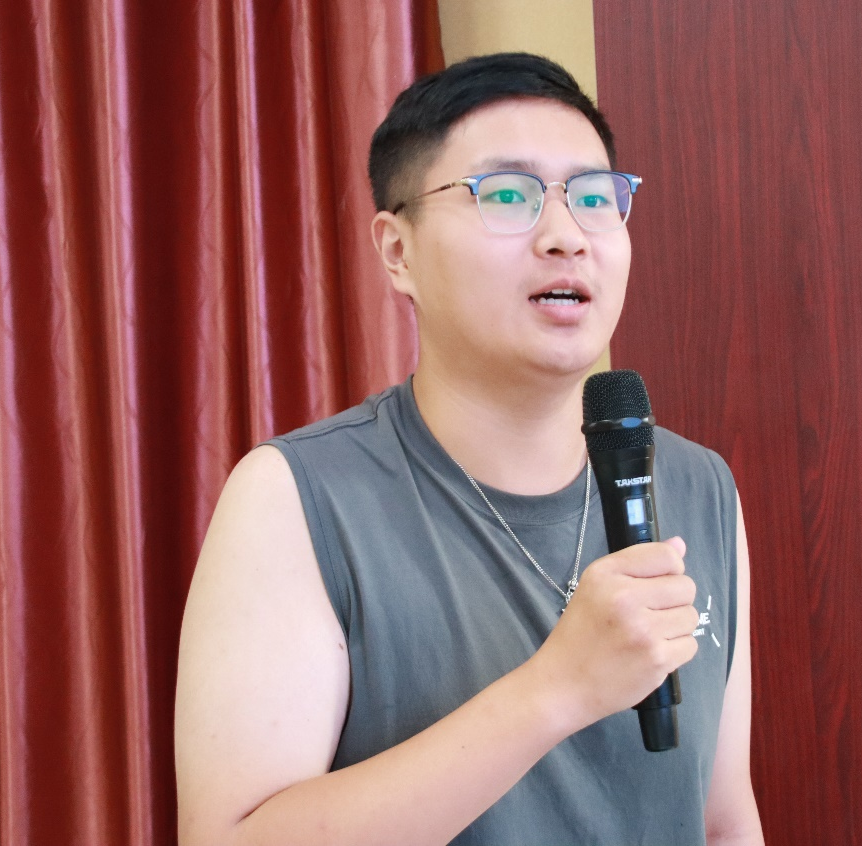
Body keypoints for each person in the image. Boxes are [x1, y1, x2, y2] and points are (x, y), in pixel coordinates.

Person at [175, 52, 764, 845]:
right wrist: (555, 690)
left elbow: (721, 820)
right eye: (508, 195)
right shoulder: (295, 497)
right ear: (398, 252)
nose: (565, 236)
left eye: (594, 197)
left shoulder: (696, 486)